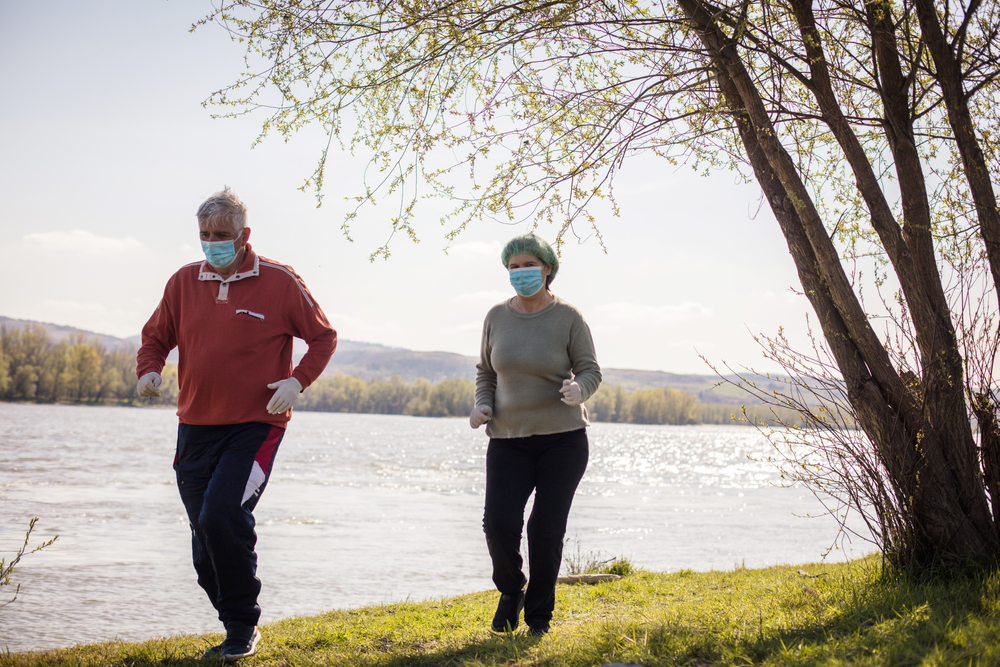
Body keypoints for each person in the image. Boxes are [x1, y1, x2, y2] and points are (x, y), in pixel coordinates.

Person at [136, 187, 336, 662]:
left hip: (256, 424)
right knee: (203, 538)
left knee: (221, 514)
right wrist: (149, 368)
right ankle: (233, 624)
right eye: (204, 235)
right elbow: (155, 336)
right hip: (195, 426)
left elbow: (323, 338)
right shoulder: (182, 282)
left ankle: (243, 625)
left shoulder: (281, 281)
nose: (212, 243)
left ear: (245, 235)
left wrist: (297, 381)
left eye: (221, 235)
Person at [470, 232, 602, 636]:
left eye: (528, 265)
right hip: (508, 438)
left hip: (562, 439)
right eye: (513, 267)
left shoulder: (569, 317)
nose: (521, 273)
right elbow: (486, 371)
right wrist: (482, 404)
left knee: (545, 529)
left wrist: (579, 389)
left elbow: (591, 370)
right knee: (498, 524)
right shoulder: (496, 316)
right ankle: (512, 590)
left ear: (547, 268)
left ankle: (539, 616)